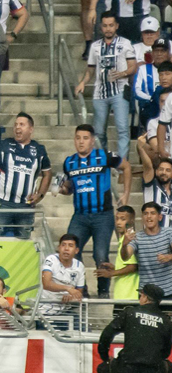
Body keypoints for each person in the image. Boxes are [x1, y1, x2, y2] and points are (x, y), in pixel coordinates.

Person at [59, 124, 131, 298]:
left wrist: (126, 193)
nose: (81, 142)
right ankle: (82, 289)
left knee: (100, 254)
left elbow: (127, 167)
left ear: (92, 141)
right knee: (71, 250)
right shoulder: (69, 162)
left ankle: (103, 291)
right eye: (78, 138)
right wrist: (63, 189)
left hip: (103, 215)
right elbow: (70, 188)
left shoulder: (104, 156)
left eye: (85, 138)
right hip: (80, 215)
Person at [98, 283, 172, 373]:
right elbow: (166, 352)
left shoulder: (129, 313)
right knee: (170, 369)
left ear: (146, 298)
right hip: (153, 369)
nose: (139, 297)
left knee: (103, 368)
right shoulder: (166, 321)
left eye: (140, 295)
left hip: (126, 367)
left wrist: (105, 357)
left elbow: (106, 335)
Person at [75, 11, 137, 159]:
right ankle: (102, 162)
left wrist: (122, 74)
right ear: (101, 27)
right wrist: (83, 83)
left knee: (122, 129)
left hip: (120, 90)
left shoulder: (125, 43)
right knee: (99, 132)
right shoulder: (95, 46)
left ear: (116, 26)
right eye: (105, 26)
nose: (108, 29)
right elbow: (90, 70)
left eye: (111, 25)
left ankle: (122, 165)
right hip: (100, 92)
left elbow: (133, 66)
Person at [0, 112, 52, 238]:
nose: (17, 128)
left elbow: (47, 174)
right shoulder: (4, 145)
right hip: (2, 203)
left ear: (31, 129)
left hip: (26, 205)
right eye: (15, 125)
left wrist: (40, 194)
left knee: (24, 242)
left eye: (22, 125)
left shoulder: (39, 150)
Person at [120, 202, 172, 298]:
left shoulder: (169, 232)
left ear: (159, 217)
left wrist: (169, 257)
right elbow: (125, 257)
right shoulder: (136, 237)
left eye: (152, 213)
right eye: (145, 213)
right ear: (142, 218)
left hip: (168, 292)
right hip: (146, 294)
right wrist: (124, 244)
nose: (149, 217)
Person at [95, 205, 139, 300]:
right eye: (117, 219)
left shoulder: (130, 240)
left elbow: (133, 266)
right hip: (122, 294)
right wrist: (114, 267)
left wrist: (112, 273)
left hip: (129, 295)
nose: (118, 223)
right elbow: (128, 264)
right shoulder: (123, 238)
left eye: (123, 219)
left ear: (131, 221)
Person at [138, 135, 172, 227]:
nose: (164, 172)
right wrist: (141, 148)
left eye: (168, 170)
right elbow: (148, 167)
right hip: (153, 239)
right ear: (156, 171)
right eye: (161, 169)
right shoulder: (151, 185)